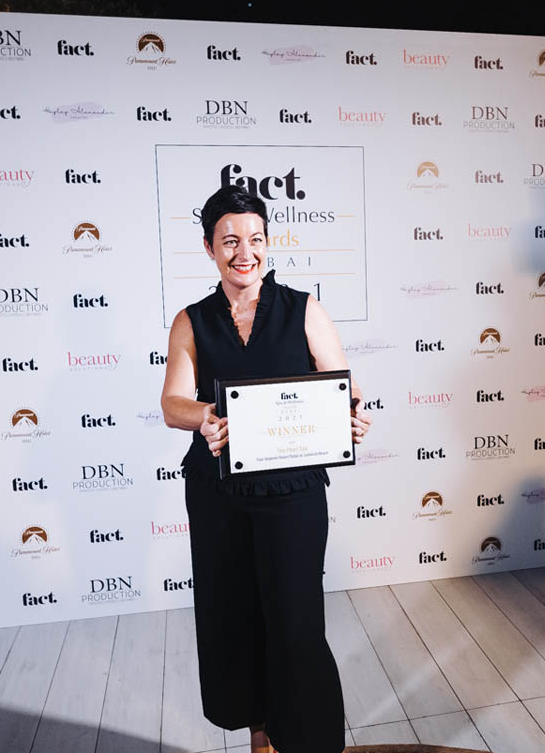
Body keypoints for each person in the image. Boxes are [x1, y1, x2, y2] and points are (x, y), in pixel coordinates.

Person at [160, 185, 372, 753]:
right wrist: (206, 415)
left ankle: (312, 741)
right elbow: (173, 404)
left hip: (292, 491)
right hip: (218, 492)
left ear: (267, 243)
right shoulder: (191, 321)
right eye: (230, 240)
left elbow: (343, 385)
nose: (244, 251)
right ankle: (261, 735)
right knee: (235, 616)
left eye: (254, 238)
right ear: (209, 247)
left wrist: (352, 414)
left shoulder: (304, 309)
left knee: (296, 620)